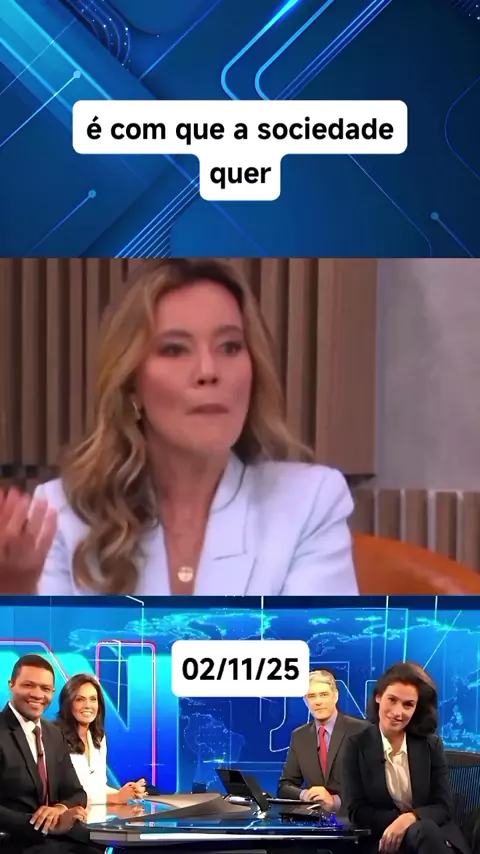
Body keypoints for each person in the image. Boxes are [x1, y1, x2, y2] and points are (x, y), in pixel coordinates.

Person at [0, 258, 358, 596]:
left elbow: (318, 642)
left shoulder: (311, 503)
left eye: (230, 347)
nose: (209, 371)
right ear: (131, 383)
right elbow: (40, 644)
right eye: (175, 350)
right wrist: (14, 592)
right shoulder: (60, 513)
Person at [342, 661, 469, 853]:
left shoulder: (431, 745)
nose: (397, 712)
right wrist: (397, 822)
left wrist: (409, 818)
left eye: (408, 704)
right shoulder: (356, 745)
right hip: (384, 838)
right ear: (378, 697)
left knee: (425, 830)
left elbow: (443, 806)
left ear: (416, 708)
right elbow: (356, 810)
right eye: (392, 700)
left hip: (433, 836)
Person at [0, 653, 105, 854]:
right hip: (16, 841)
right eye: (28, 685)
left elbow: (76, 793)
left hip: (59, 838)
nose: (37, 694)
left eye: (45, 689)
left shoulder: (54, 734)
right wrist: (45, 825)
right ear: (11, 684)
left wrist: (60, 809)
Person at [277, 668, 369, 812]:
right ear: (305, 701)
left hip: (353, 817)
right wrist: (305, 795)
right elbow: (285, 786)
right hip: (314, 819)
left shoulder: (362, 730)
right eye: (311, 696)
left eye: (324, 695)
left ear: (336, 696)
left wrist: (335, 801)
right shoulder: (299, 736)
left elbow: (373, 787)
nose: (318, 702)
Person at [55, 673, 146, 806]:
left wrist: (127, 792)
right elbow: (66, 793)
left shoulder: (98, 737)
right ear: (68, 703)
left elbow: (98, 787)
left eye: (93, 699)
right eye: (80, 699)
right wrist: (116, 797)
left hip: (92, 813)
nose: (88, 705)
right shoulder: (55, 736)